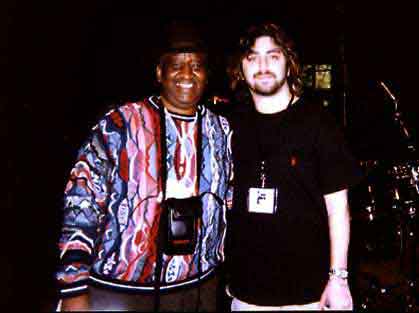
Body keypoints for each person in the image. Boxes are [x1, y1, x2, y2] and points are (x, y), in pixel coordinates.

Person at [55, 21, 233, 311]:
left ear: (207, 75)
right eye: (176, 65)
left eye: (197, 66)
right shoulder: (120, 124)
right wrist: (73, 288)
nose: (187, 74)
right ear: (159, 73)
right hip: (119, 293)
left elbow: (232, 203)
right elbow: (80, 205)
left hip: (199, 289)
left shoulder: (221, 131)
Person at [225, 21, 362, 311]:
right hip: (247, 292)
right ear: (241, 67)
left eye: (273, 56)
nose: (263, 65)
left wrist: (339, 279)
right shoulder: (230, 125)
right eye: (252, 57)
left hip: (310, 294)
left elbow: (338, 209)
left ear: (289, 64)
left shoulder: (319, 123)